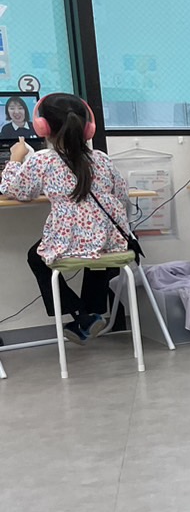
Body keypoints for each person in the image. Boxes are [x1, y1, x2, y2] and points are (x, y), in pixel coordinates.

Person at [0, 92, 131, 342]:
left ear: (43, 127)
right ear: (88, 127)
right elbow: (122, 195)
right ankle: (90, 314)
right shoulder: (102, 158)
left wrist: (15, 158)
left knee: (36, 257)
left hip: (68, 243)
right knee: (98, 256)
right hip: (113, 242)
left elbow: (15, 190)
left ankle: (82, 315)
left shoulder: (42, 159)